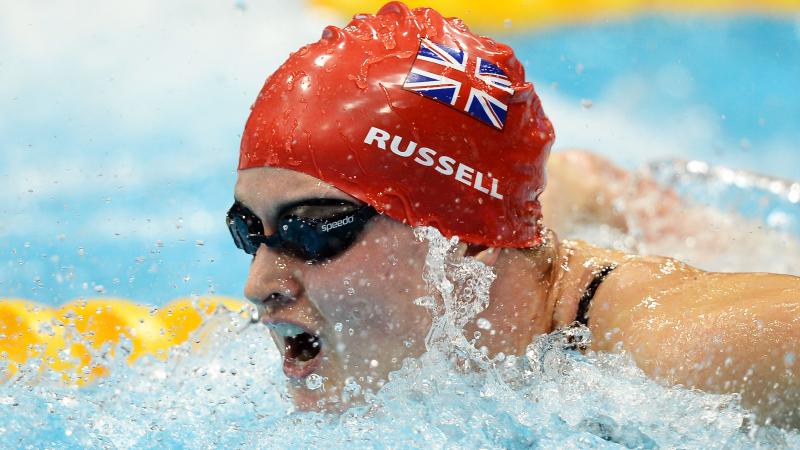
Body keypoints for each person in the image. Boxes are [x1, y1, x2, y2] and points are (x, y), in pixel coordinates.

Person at [228, 2, 800, 427]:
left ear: (466, 236)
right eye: (248, 230)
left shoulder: (686, 351)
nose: (258, 285)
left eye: (314, 228)